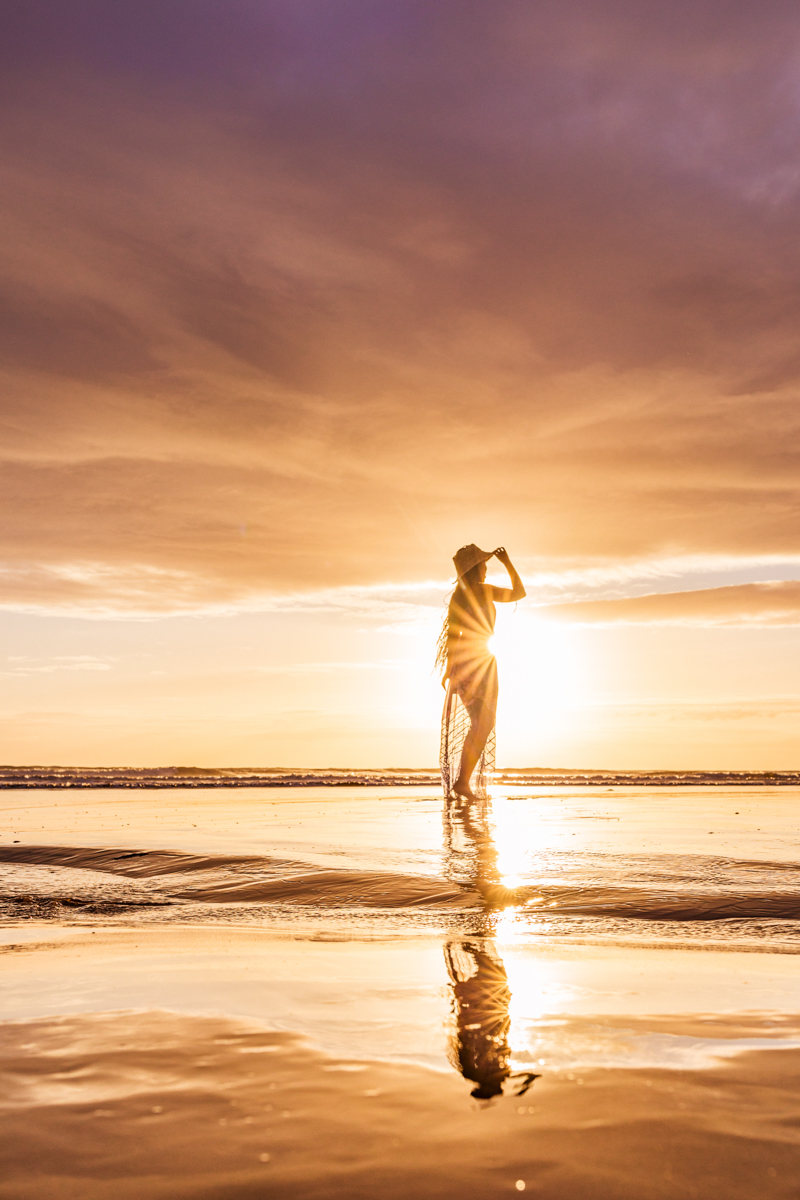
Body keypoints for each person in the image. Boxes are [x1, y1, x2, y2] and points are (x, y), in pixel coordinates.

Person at [436, 545, 525, 801]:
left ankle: (463, 783)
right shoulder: (483, 591)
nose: (487, 568)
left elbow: (454, 638)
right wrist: (507, 562)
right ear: (477, 568)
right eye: (484, 564)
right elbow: (519, 592)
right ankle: (463, 783)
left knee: (480, 724)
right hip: (480, 663)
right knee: (483, 724)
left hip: (467, 663)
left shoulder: (458, 597)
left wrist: (449, 670)